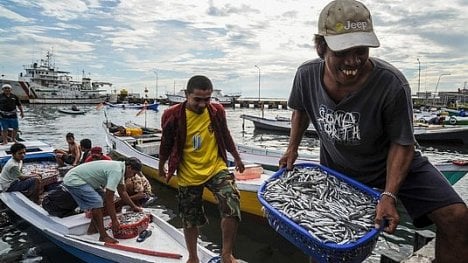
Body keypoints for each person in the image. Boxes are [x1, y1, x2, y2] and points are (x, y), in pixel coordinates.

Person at [278, 1, 468, 262]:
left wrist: (389, 194)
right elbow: (300, 110)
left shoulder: (392, 83)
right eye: (343, 52)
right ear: (322, 47)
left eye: (361, 50)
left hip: (394, 163)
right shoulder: (306, 75)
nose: (353, 61)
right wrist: (292, 149)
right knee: (327, 242)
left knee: (456, 217)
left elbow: (402, 143)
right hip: (339, 170)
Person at [158, 75, 245, 263]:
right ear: (187, 95)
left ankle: (227, 254)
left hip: (215, 167)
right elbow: (166, 143)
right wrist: (161, 165)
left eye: (207, 99)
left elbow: (226, 136)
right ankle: (193, 257)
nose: (203, 104)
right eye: (197, 99)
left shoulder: (217, 110)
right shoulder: (172, 115)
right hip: (188, 172)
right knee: (190, 219)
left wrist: (237, 158)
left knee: (231, 203)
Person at [62, 157, 143, 243]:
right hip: (74, 179)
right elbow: (109, 199)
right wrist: (114, 220)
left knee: (102, 199)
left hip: (88, 181)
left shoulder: (121, 169)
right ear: (129, 167)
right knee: (97, 202)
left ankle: (92, 229)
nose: (134, 176)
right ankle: (103, 236)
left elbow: (122, 192)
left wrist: (134, 207)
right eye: (134, 173)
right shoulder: (117, 171)